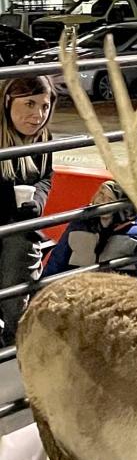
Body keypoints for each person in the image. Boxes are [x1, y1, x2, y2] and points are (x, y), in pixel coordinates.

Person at [0, 75, 57, 346]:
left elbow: (46, 177)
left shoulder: (43, 138)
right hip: (7, 222)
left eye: (45, 106)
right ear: (7, 102)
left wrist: (38, 202)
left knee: (16, 291)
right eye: (30, 104)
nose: (38, 115)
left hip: (20, 231)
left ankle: (18, 346)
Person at [41, 180, 137, 279]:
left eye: (110, 199)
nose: (102, 201)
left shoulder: (135, 231)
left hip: (116, 291)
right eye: (101, 194)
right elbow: (59, 259)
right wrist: (44, 287)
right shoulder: (81, 221)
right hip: (80, 287)